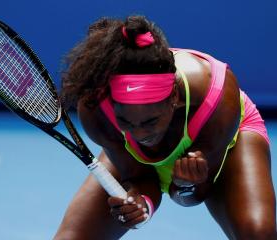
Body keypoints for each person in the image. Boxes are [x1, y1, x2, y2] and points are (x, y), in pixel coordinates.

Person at [54, 15, 276, 240]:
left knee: (258, 235)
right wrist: (142, 205)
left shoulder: (217, 96)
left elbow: (192, 197)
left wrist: (185, 185)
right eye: (126, 122)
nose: (139, 135)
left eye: (149, 121)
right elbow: (140, 176)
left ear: (175, 98)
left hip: (229, 141)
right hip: (136, 159)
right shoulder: (96, 108)